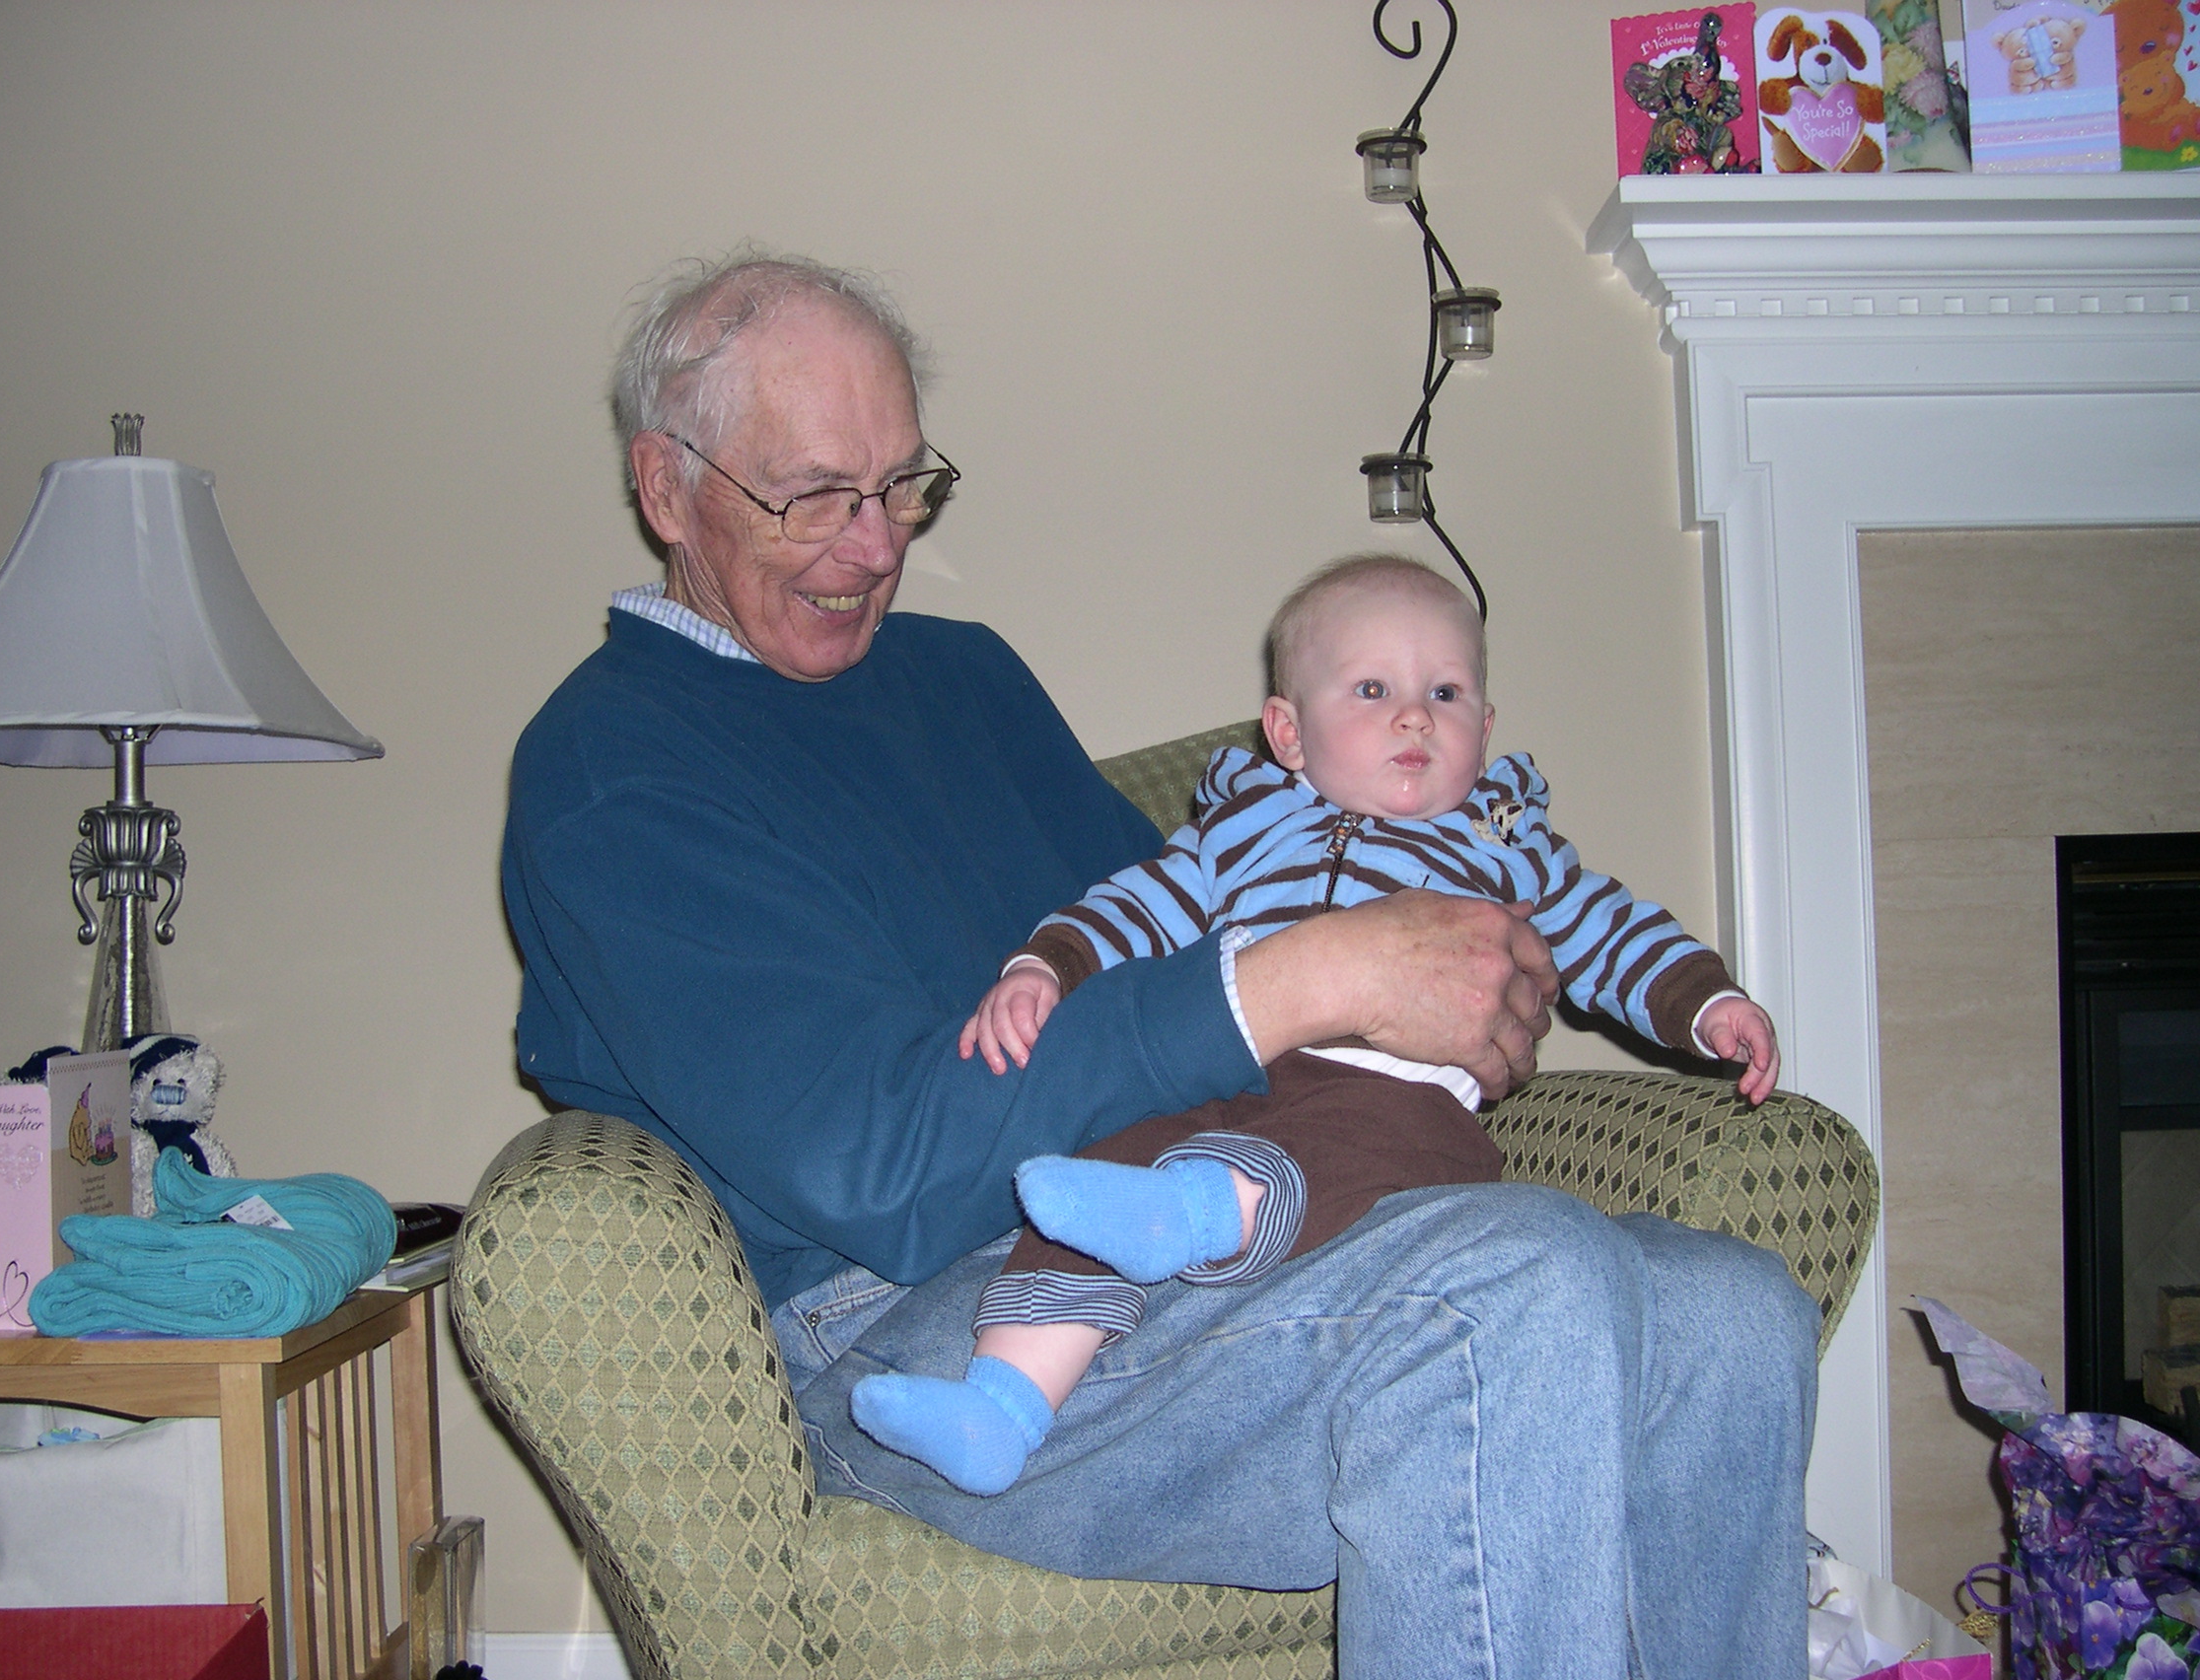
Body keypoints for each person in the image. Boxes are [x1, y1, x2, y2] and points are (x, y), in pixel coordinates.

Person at [501, 252, 1820, 1678]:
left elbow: (1170, 925)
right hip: (918, 1322)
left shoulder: (963, 676)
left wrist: (1428, 987)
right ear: (665, 487)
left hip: (1181, 1209)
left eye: (903, 488)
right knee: (1509, 1279)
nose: (876, 546)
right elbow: (882, 1168)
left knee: (1733, 1314)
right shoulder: (615, 771)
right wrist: (1318, 978)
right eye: (814, 494)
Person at [845, 553, 1782, 1496]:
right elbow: (1137, 907)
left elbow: (1611, 930)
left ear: (1486, 730)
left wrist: (1705, 1004)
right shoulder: (1238, 836)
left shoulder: (1508, 847)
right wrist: (1044, 965)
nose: (1416, 716)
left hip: (1403, 1106)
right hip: (1240, 1073)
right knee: (1107, 1166)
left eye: (1447, 692)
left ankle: (1206, 1212)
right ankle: (1002, 1405)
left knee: (1342, 1138)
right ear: (1289, 733)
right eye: (1373, 689)